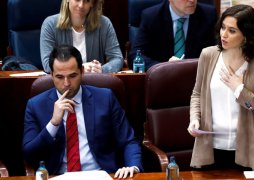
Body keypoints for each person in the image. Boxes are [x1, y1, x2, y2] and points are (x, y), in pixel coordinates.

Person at [23, 44, 142, 178]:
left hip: (100, 175)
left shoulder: (105, 98)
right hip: (59, 176)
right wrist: (53, 124)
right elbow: (29, 154)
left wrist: (133, 166)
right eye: (60, 77)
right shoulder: (36, 105)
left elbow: (128, 140)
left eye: (72, 76)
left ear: (82, 72)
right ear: (51, 75)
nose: (66, 83)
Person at [187, 4, 254, 171]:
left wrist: (239, 89)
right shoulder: (208, 55)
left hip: (248, 150)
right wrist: (195, 118)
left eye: (232, 30)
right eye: (223, 27)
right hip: (211, 149)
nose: (224, 34)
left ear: (246, 35)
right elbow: (197, 94)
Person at [128, 0, 217, 71]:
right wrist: (163, 67)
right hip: (161, 81)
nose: (192, 1)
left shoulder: (208, 15)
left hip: (196, 79)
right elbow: (135, 55)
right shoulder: (151, 17)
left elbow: (216, 53)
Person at [40, 0, 123, 74]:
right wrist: (80, 69)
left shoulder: (104, 23)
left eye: (87, 1)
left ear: (92, 3)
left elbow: (117, 59)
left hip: (94, 83)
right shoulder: (50, 24)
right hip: (63, 84)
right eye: (77, 0)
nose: (81, 5)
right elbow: (48, 65)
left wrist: (101, 70)